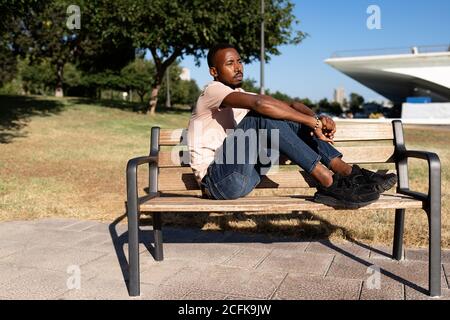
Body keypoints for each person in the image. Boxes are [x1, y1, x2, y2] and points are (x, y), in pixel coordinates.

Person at [187, 43, 397, 208]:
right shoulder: (212, 91)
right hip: (218, 182)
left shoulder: (240, 97)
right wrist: (311, 122)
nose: (238, 67)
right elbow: (261, 105)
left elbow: (292, 105)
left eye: (239, 61)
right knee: (263, 114)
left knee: (284, 116)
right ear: (214, 71)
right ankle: (328, 183)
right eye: (230, 63)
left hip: (245, 176)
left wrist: (318, 119)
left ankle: (350, 173)